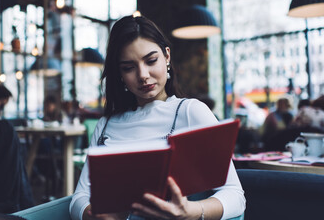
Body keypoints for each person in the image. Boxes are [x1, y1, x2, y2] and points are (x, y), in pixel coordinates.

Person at [70, 15, 245, 220]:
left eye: (151, 60)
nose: (143, 74)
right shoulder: (105, 125)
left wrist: (192, 212)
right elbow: (79, 198)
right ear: (119, 74)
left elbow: (235, 195)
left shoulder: (190, 112)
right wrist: (95, 216)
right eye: (128, 67)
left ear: (167, 57)